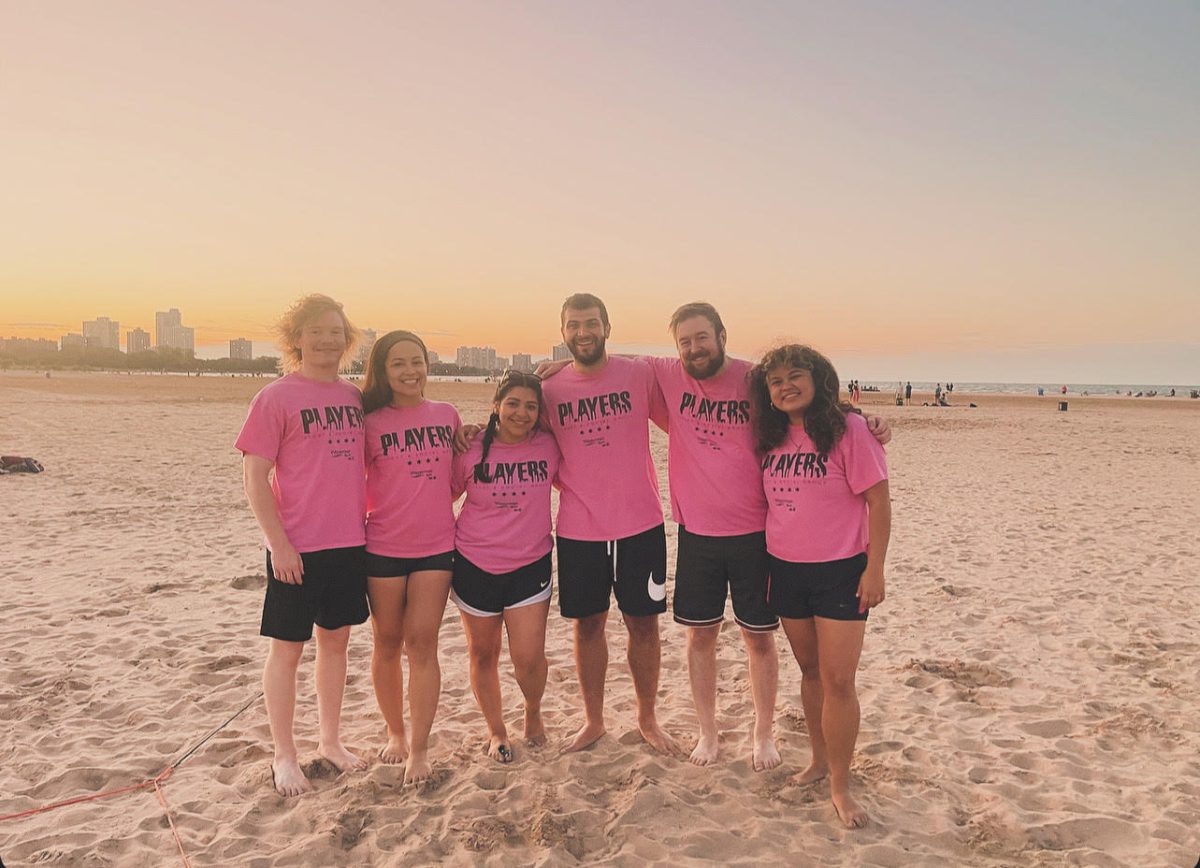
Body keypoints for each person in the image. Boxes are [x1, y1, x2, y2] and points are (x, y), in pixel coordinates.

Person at [539, 302, 891, 770]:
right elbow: (602, 358)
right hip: (696, 534)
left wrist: (864, 420)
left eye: (701, 337)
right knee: (699, 638)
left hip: (757, 533)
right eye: (684, 341)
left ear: (722, 335)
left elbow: (803, 402)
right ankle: (707, 732)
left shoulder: (753, 379)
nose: (693, 347)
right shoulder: (664, 373)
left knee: (758, 639)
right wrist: (563, 361)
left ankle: (762, 734)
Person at [750, 344, 891, 829]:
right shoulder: (768, 437)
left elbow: (879, 501)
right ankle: (818, 760)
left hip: (841, 572)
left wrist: (875, 569)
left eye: (795, 376)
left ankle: (841, 785)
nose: (786, 386)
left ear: (818, 379)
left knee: (838, 681)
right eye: (776, 381)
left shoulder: (848, 430)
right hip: (786, 570)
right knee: (810, 673)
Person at [236, 293, 369, 797]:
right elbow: (254, 476)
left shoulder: (353, 398)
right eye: (317, 331)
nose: (328, 339)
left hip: (349, 543)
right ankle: (284, 755)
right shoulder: (276, 397)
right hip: (296, 547)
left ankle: (331, 742)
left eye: (336, 330)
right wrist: (278, 543)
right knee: (287, 651)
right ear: (298, 339)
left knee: (335, 644)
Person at [538, 293, 678, 754]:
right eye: (574, 325)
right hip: (579, 529)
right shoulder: (549, 390)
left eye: (592, 323)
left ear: (607, 327)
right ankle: (593, 720)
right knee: (587, 626)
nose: (583, 332)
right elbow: (516, 437)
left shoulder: (638, 374)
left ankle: (647, 719)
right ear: (563, 333)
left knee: (644, 625)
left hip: (641, 524)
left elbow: (685, 419)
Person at [361, 330, 461, 785]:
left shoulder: (447, 415)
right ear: (383, 371)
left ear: (428, 364)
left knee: (422, 644)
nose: (409, 371)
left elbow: (458, 476)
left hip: (437, 547)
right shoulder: (370, 421)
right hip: (381, 546)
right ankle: (395, 733)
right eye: (398, 363)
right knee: (386, 643)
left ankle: (419, 749)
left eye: (416, 361)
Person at [450, 371, 561, 762]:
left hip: (529, 564)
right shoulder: (470, 446)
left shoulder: (550, 446)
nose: (522, 413)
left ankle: (532, 711)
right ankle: (496, 729)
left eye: (531, 406)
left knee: (529, 658)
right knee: (483, 654)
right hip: (473, 562)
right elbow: (441, 495)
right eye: (513, 403)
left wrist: (555, 364)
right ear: (496, 405)